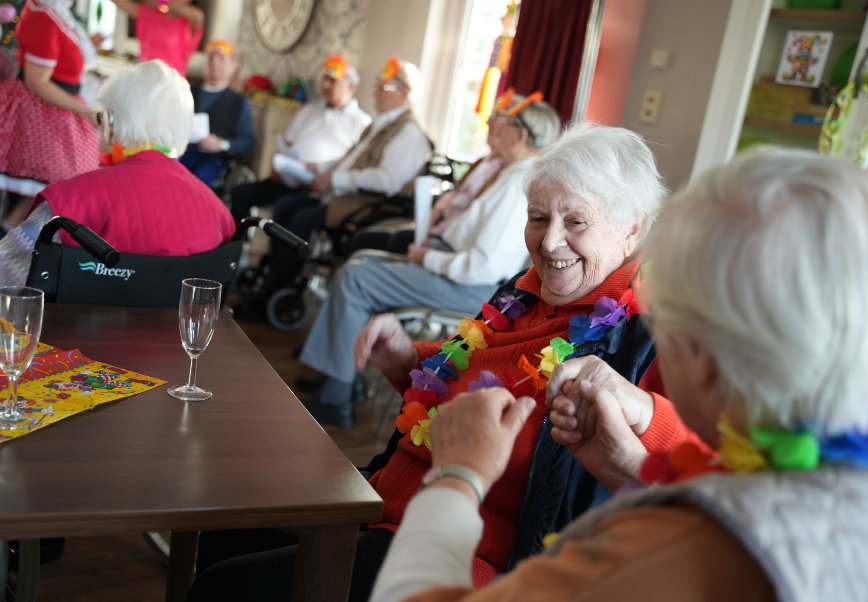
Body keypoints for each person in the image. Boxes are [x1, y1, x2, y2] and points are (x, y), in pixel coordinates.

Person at [188, 124, 705, 602]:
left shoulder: (651, 334)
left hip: (469, 555)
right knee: (221, 523)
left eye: (576, 222)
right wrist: (406, 358)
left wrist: (641, 408)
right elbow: (470, 367)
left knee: (225, 589)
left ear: (633, 227)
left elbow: (709, 468)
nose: (549, 242)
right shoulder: (523, 293)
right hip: (386, 500)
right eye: (538, 218)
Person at [369, 147, 868, 602]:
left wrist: (459, 475)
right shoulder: (859, 489)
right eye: (538, 218)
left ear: (702, 358)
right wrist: (631, 470)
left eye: (669, 317)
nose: (551, 242)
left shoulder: (674, 549)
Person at [299, 94, 561, 428]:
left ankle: (337, 396)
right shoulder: (510, 173)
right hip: (456, 271)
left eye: (502, 122)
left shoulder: (518, 184)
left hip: (472, 286)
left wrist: (428, 257)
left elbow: (484, 267)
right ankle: (345, 378)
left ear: (520, 134)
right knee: (362, 260)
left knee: (357, 276)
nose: (493, 126)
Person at [0, 59, 236, 295]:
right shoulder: (221, 216)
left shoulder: (68, 201)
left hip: (74, 329)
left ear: (111, 123)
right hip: (176, 329)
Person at [244, 56, 433, 316]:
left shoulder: (409, 132)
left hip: (370, 204)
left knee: (301, 219)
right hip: (345, 196)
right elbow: (349, 160)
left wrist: (334, 180)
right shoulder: (382, 124)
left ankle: (279, 292)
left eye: (385, 87)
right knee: (286, 206)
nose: (375, 92)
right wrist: (319, 168)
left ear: (406, 93)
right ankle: (271, 282)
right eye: (377, 85)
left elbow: (387, 181)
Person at [228, 54, 371, 223]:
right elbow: (286, 144)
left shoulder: (361, 122)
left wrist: (318, 167)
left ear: (351, 86)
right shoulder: (308, 110)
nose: (325, 85)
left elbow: (353, 161)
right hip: (287, 179)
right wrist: (277, 163)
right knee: (240, 193)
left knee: (287, 208)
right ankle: (240, 239)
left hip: (318, 187)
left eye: (333, 81)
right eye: (324, 79)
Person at [0, 0, 99, 203]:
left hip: (55, 109)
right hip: (42, 113)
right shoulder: (43, 16)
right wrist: (86, 112)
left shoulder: (53, 12)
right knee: (55, 188)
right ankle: (16, 222)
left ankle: (15, 221)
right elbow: (37, 82)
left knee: (53, 191)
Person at [178, 39, 256, 189]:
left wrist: (222, 144)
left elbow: (249, 143)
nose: (215, 63)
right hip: (183, 153)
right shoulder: (185, 92)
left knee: (195, 184)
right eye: (210, 58)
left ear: (232, 66)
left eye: (221, 59)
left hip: (214, 161)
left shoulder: (239, 102)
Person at [110, 0, 204, 76]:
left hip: (172, 82)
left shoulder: (194, 17)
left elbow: (153, 2)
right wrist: (161, 4)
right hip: (144, 76)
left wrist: (160, 3)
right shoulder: (150, 14)